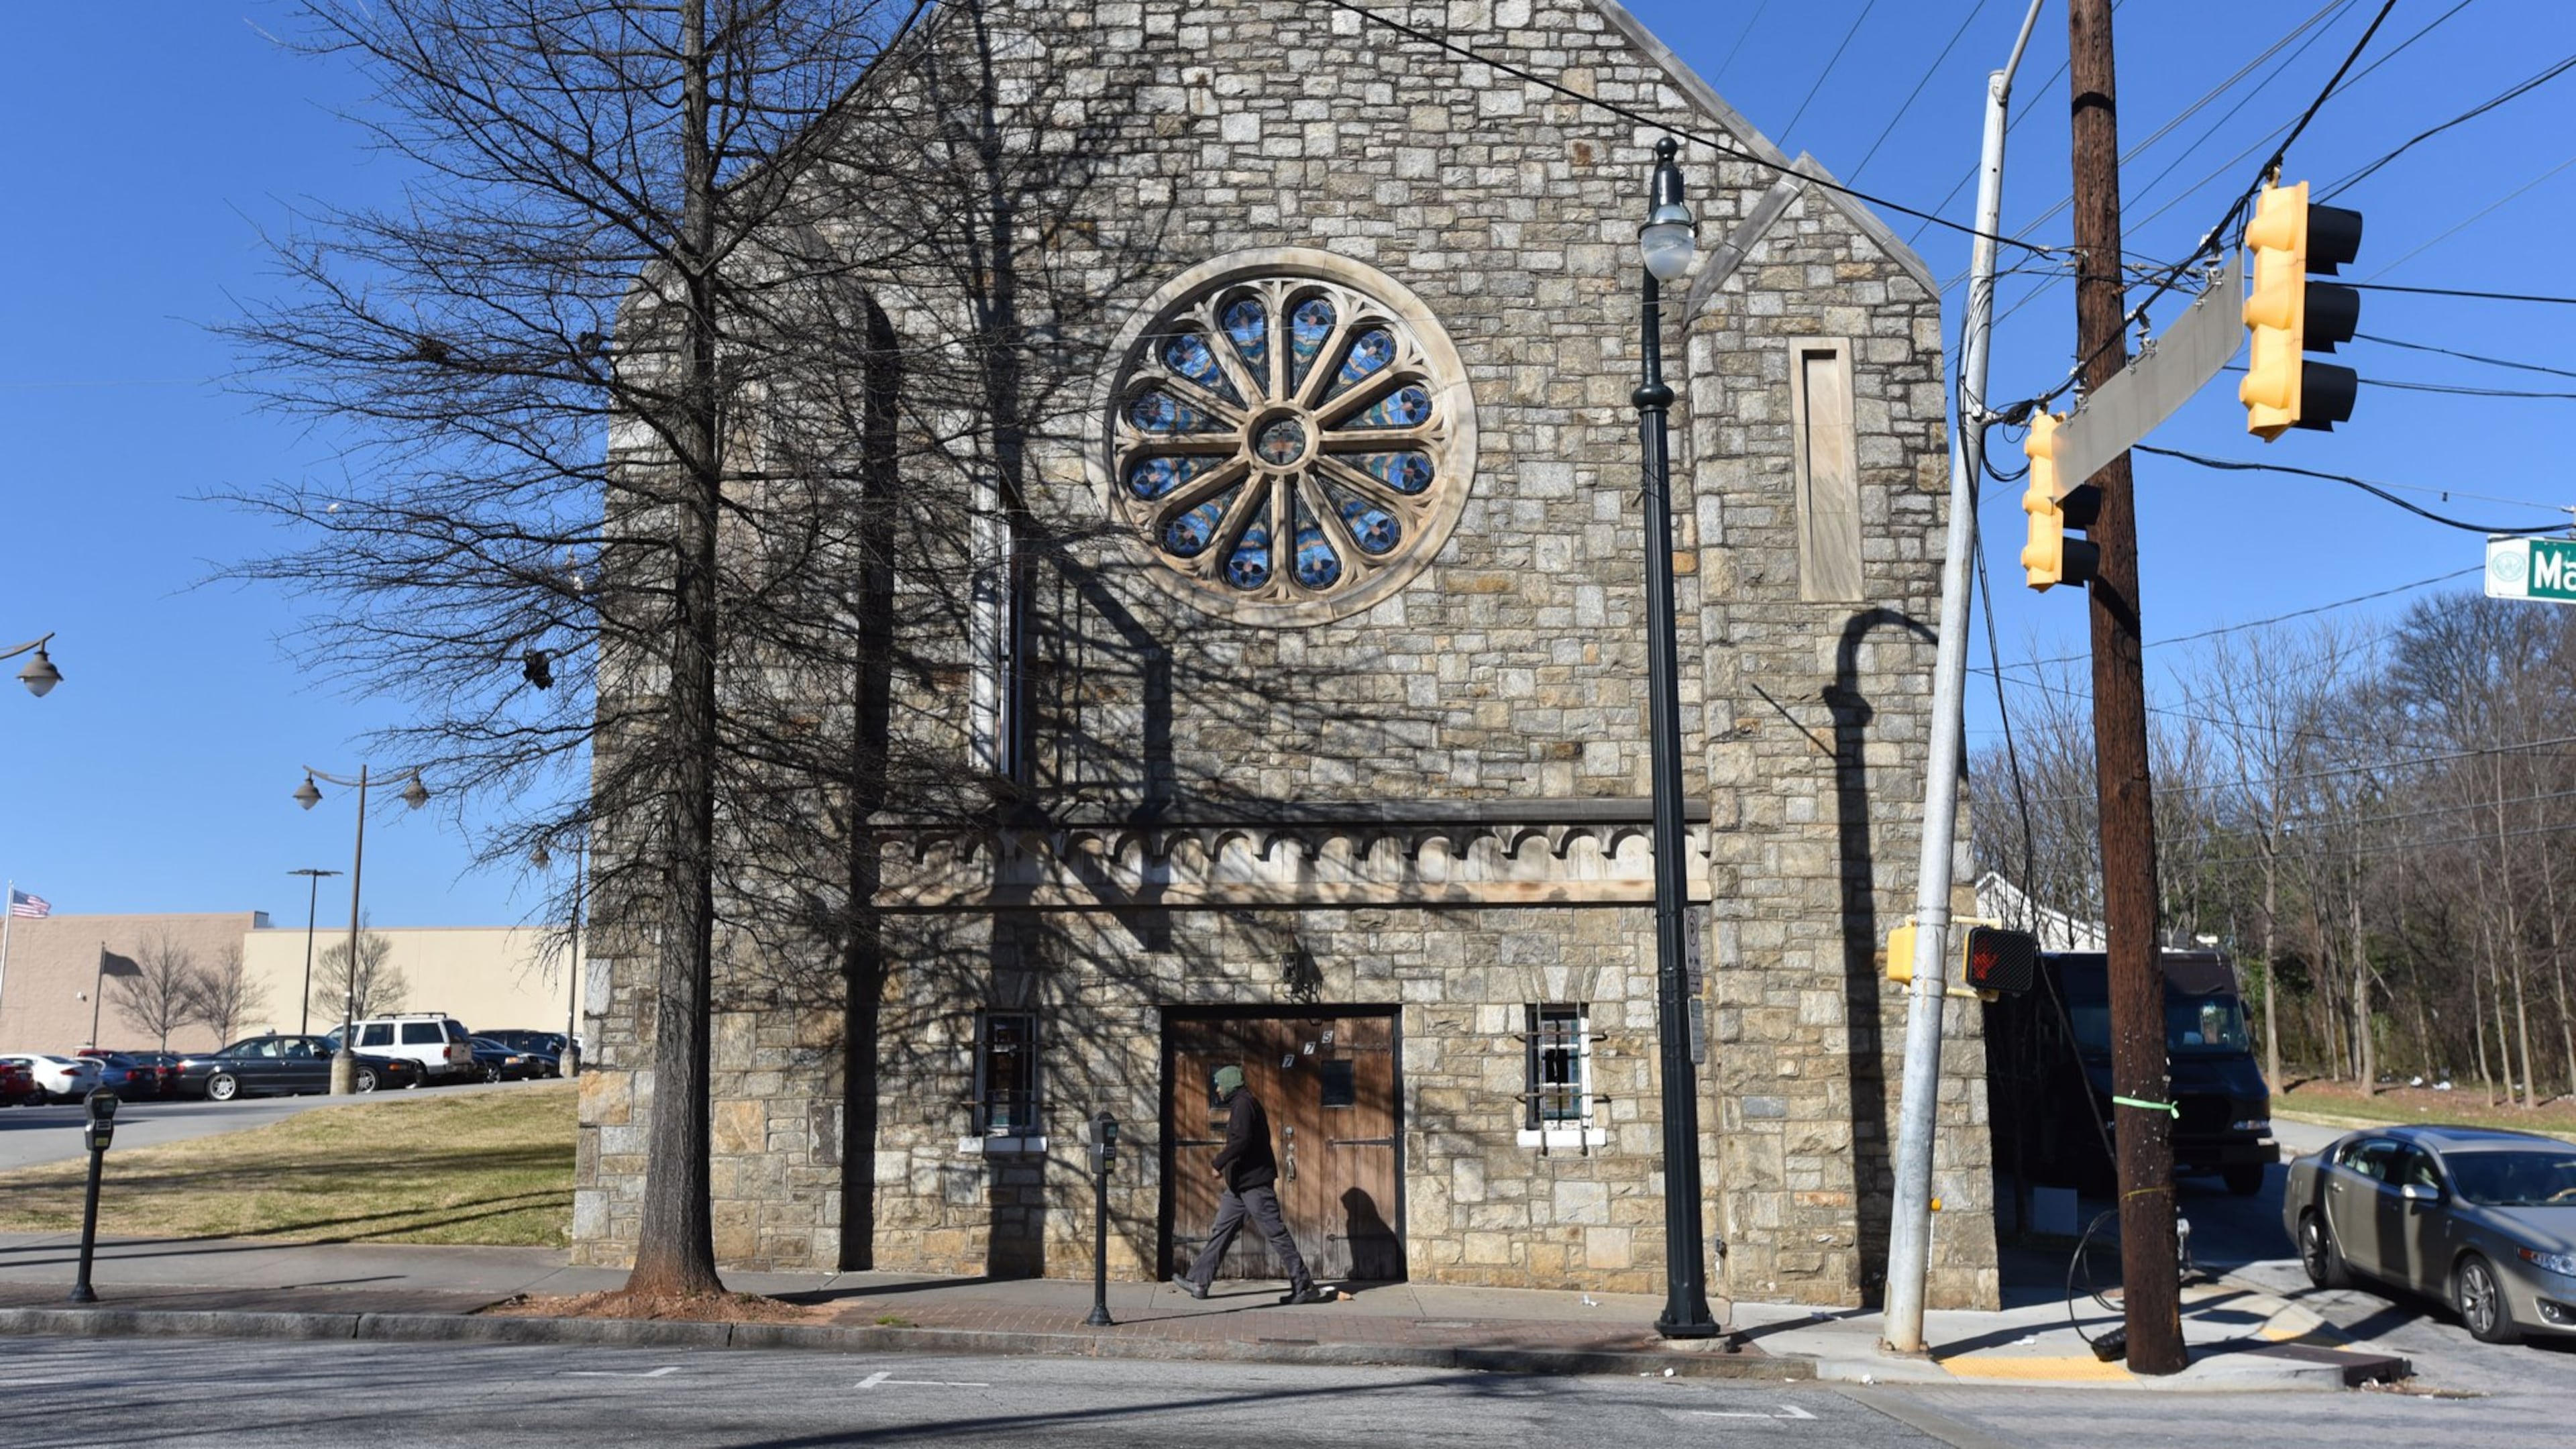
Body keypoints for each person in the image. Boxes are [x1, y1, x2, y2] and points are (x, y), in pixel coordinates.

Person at [1173, 1065, 1330, 1305]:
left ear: (1229, 1083)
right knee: (1222, 1231)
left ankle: (1304, 1285)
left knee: (1276, 1233)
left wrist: (1219, 1163)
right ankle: (1199, 1281)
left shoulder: (1244, 1104)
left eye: (1219, 1083)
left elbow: (1242, 1140)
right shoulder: (1242, 1103)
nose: (1217, 1088)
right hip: (1240, 1186)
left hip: (1254, 1184)